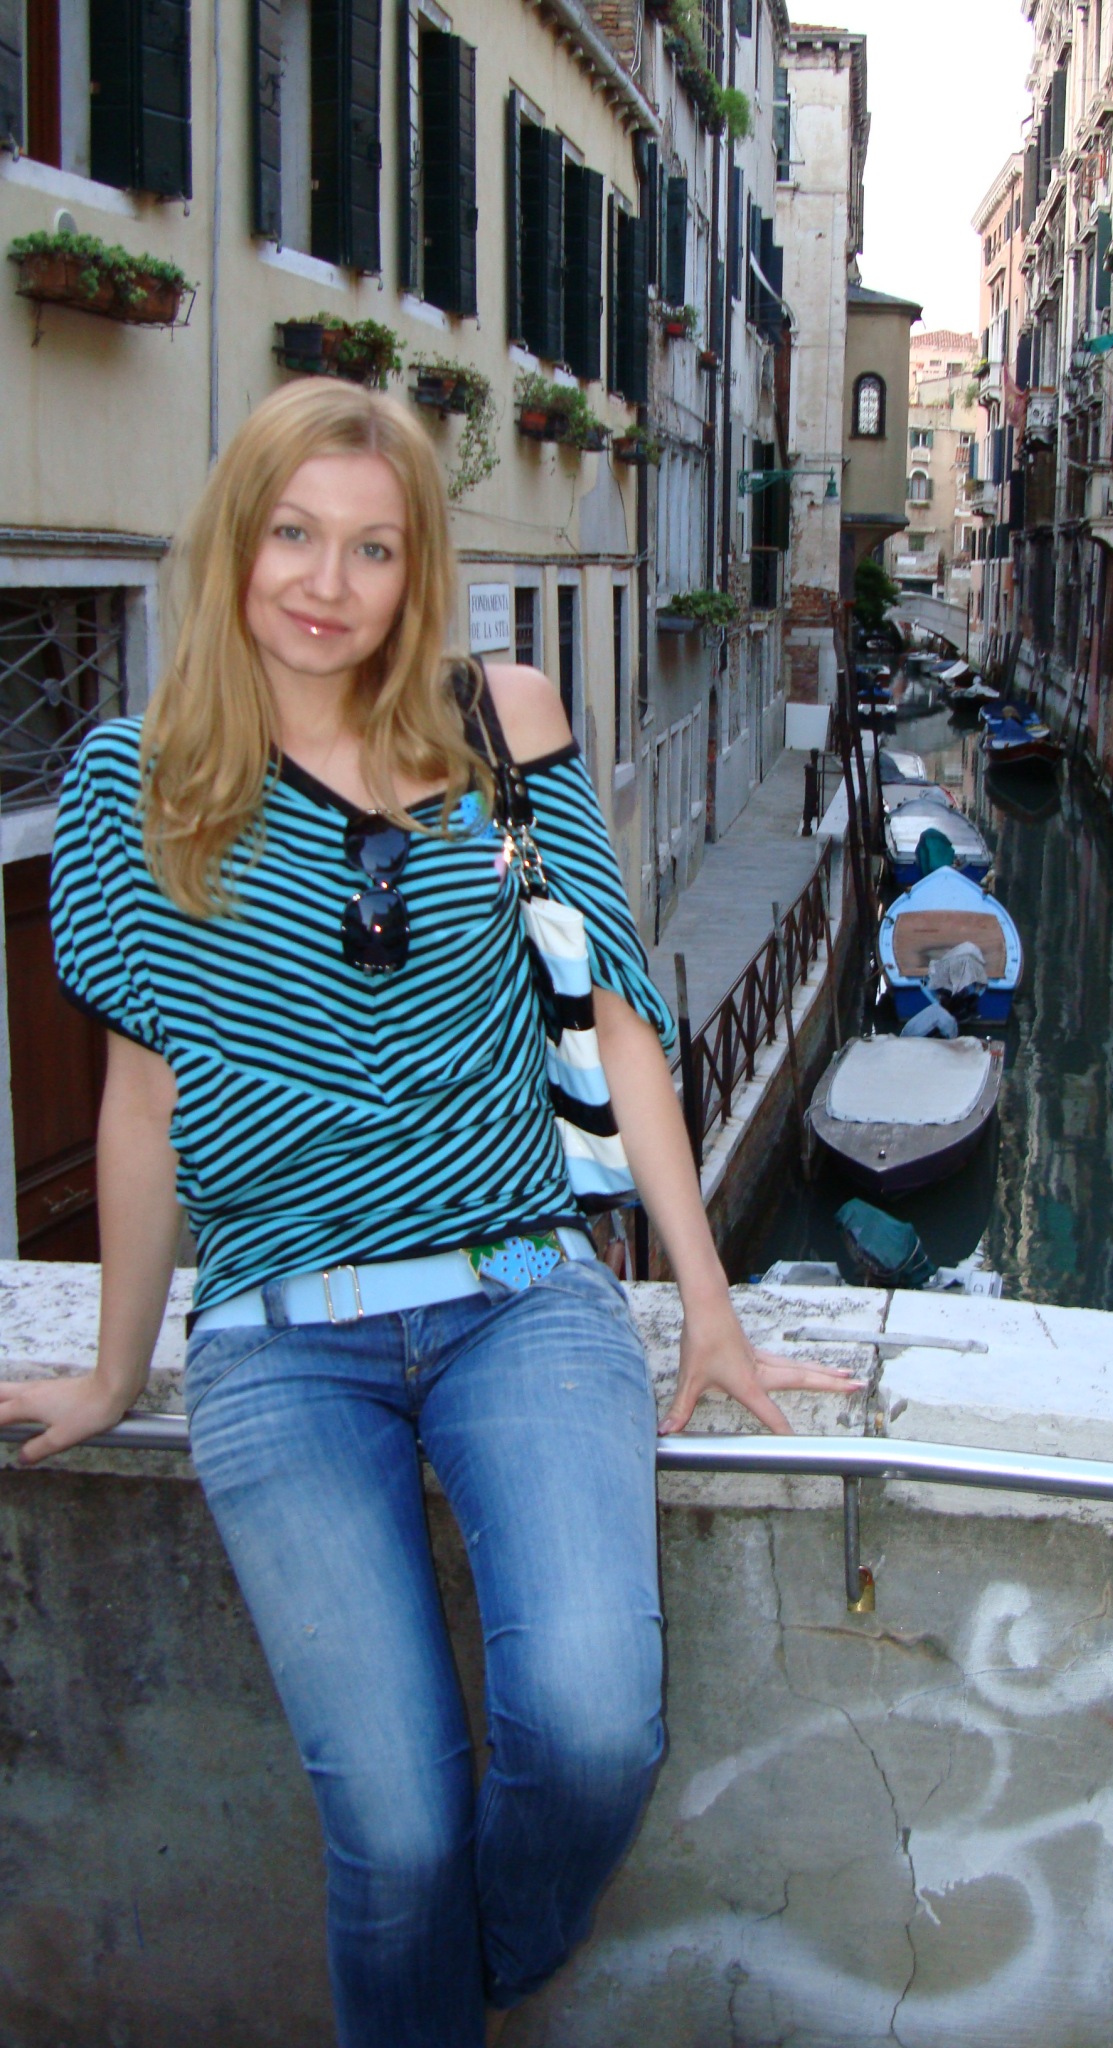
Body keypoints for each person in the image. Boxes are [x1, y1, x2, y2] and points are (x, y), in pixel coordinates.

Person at [0, 380, 855, 2046]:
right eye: (293, 534)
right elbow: (143, 1098)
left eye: (372, 548)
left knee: (596, 1727)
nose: (327, 583)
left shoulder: (501, 722)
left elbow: (618, 1017)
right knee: (390, 1831)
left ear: (417, 569)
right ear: (235, 542)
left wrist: (711, 1306)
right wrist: (113, 1370)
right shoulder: (131, 782)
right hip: (277, 1343)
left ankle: (476, 1974)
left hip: (521, 1296)